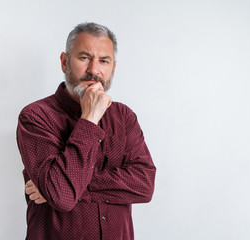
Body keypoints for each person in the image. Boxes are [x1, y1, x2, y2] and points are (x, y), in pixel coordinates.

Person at [16, 22, 156, 240]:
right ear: (64, 62)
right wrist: (89, 119)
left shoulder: (124, 118)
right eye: (84, 58)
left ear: (113, 68)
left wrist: (63, 185)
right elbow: (61, 197)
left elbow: (144, 185)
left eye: (104, 61)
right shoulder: (36, 117)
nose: (94, 70)